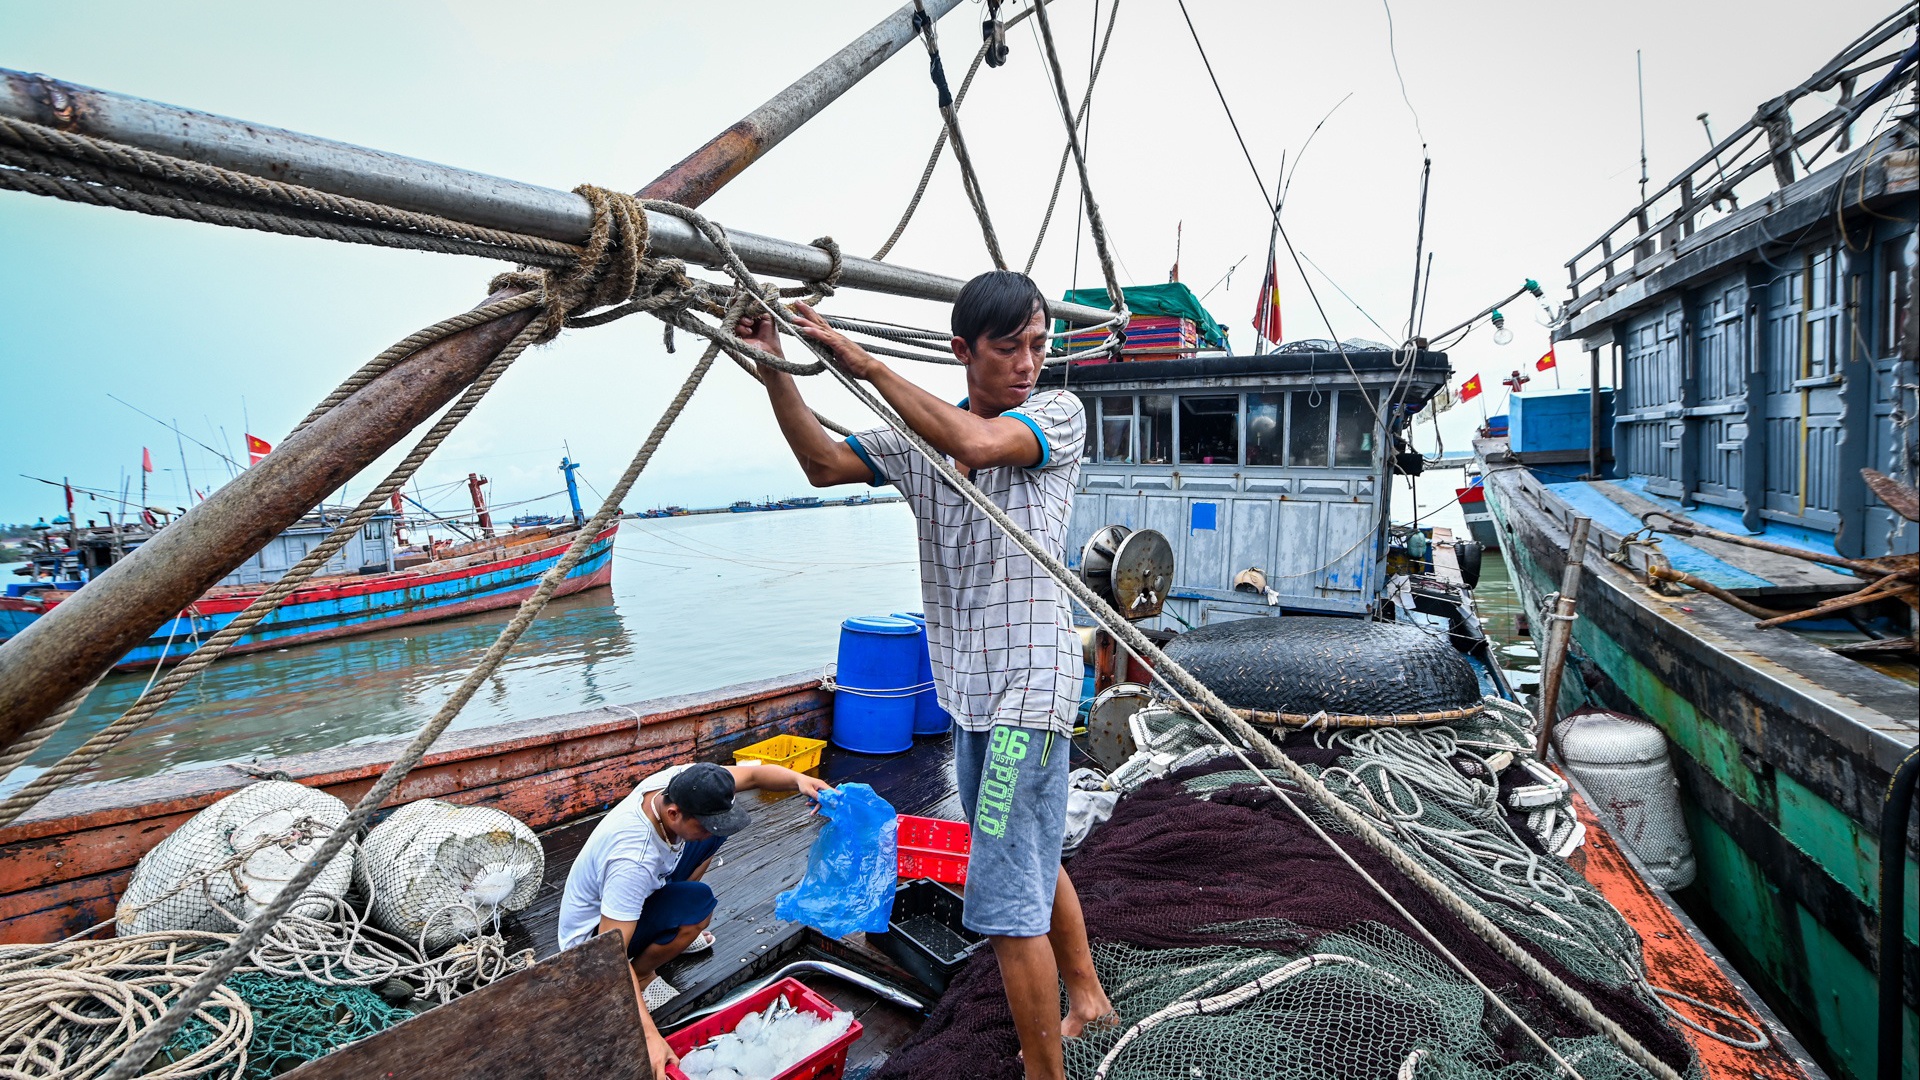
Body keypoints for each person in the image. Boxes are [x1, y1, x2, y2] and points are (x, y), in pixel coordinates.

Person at [743, 270, 1116, 1080]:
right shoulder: (917, 445)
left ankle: (1044, 1072)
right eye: (1008, 346)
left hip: (1030, 696)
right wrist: (774, 363)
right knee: (1023, 849)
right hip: (973, 697)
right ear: (962, 351)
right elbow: (819, 463)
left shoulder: (1056, 415)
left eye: (1038, 345)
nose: (1028, 362)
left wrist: (860, 361)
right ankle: (1085, 993)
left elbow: (977, 443)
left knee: (1003, 895)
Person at [557, 760, 833, 1079]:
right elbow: (609, 956)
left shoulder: (681, 784)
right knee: (697, 908)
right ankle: (644, 974)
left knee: (712, 837)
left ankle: (666, 929)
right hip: (592, 942)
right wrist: (649, 1037)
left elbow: (755, 774)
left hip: (631, 900)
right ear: (674, 813)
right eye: (702, 824)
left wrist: (800, 780)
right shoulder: (633, 861)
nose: (706, 832)